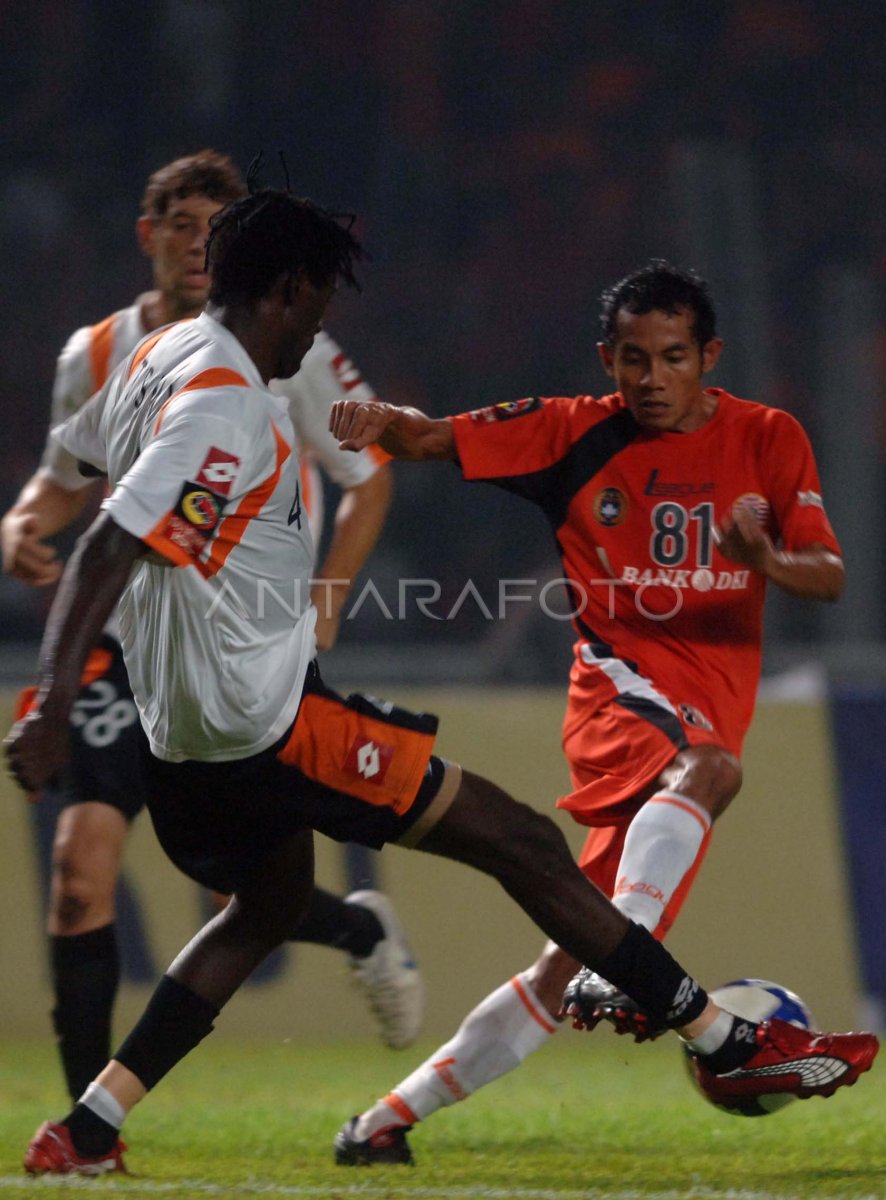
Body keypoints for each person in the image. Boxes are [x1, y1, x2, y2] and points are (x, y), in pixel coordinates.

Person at [7, 195, 874, 1178]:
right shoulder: (223, 400)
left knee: (264, 906)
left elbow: (76, 464)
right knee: (519, 842)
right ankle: (724, 1037)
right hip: (274, 724)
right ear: (286, 291)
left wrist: (38, 526)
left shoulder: (155, 358)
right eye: (321, 300)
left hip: (184, 740)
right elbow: (112, 541)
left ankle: (84, 1132)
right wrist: (47, 703)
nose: (323, 322)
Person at [326, 259, 871, 1166]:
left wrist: (764, 557)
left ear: (709, 357)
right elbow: (426, 441)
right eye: (631, 359)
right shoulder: (567, 432)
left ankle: (383, 1123)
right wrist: (375, 421)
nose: (650, 379)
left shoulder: (769, 437)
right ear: (606, 359)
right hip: (622, 695)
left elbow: (829, 574)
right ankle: (624, 970)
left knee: (571, 956)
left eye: (671, 358)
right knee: (711, 775)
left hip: (702, 718)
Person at [0, 150, 416, 1114]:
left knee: (257, 882)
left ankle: (353, 932)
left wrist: (327, 598)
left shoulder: (285, 345)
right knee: (79, 871)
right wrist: (20, 524)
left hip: (238, 653)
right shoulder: (103, 352)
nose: (198, 247)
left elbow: (369, 473)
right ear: (151, 238)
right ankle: (89, 1134)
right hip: (123, 644)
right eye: (182, 227)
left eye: (215, 230)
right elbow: (67, 481)